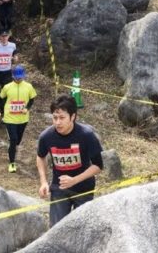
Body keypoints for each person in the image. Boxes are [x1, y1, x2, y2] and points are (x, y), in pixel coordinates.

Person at [37, 94, 104, 226]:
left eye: (62, 118)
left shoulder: (86, 135)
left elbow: (98, 165)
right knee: (56, 229)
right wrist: (44, 182)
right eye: (55, 118)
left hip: (84, 188)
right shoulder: (46, 136)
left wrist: (74, 180)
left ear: (73, 117)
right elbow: (40, 156)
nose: (57, 122)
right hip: (59, 187)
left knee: (82, 229)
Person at [0, 64, 38, 172]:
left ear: (24, 76)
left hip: (23, 119)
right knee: (13, 140)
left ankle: (13, 147)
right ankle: (12, 163)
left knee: (18, 141)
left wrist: (27, 108)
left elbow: (32, 99)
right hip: (10, 119)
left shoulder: (28, 87)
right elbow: (0, 99)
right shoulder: (7, 87)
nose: (18, 79)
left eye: (20, 77)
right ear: (13, 76)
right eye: (17, 77)